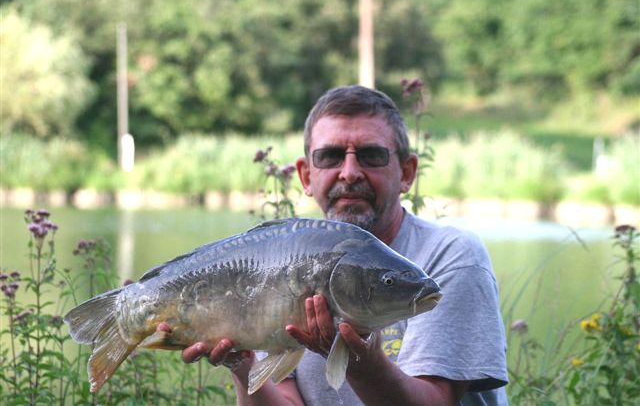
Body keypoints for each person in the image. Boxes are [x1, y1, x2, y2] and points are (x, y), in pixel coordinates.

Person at [176, 85, 508, 405]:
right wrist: (241, 364)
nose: (349, 172)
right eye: (331, 156)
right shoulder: (284, 259)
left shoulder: (449, 257)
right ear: (306, 176)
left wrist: (361, 360)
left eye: (371, 156)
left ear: (407, 173)